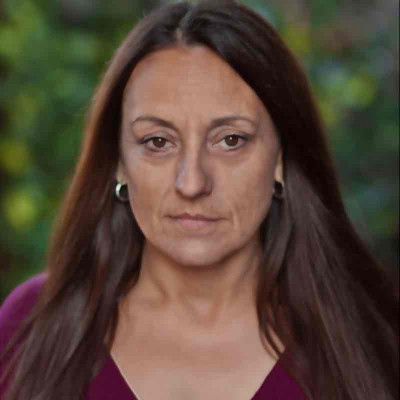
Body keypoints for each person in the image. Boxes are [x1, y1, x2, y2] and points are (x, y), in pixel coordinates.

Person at [0, 1, 397, 399]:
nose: (191, 183)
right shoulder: (29, 327)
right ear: (118, 162)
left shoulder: (372, 337)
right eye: (158, 142)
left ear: (281, 157)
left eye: (230, 140)